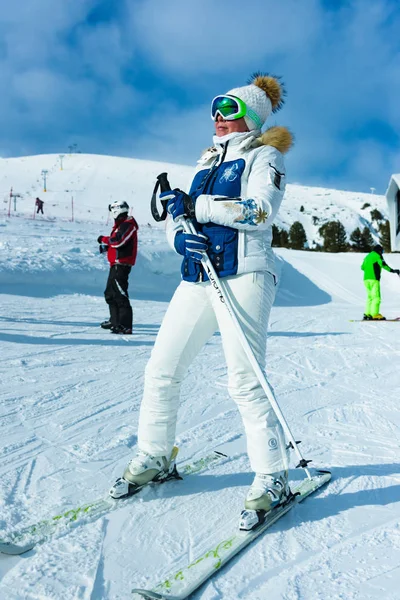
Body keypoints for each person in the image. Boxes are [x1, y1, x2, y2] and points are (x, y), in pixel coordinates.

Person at [109, 73, 294, 513]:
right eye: (215, 109)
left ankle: (273, 475)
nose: (218, 117)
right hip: (197, 274)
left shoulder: (265, 155)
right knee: (161, 369)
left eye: (229, 110)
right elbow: (184, 217)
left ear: (250, 116)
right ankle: (156, 454)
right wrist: (179, 234)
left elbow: (260, 211)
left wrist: (198, 207)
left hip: (245, 271)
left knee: (244, 379)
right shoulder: (206, 161)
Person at [98, 201, 138, 334]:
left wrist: (104, 239)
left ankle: (125, 325)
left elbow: (118, 240)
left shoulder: (128, 225)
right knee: (110, 294)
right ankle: (115, 321)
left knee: (120, 294)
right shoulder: (121, 225)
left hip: (121, 265)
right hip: (115, 264)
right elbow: (117, 242)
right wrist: (107, 248)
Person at [361, 244, 399, 320]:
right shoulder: (377, 256)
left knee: (370, 297)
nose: (382, 253)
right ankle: (374, 314)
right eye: (382, 251)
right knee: (376, 297)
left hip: (366, 279)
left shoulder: (367, 256)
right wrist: (393, 270)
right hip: (374, 279)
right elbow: (383, 264)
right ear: (379, 250)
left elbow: (362, 267)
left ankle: (367, 314)